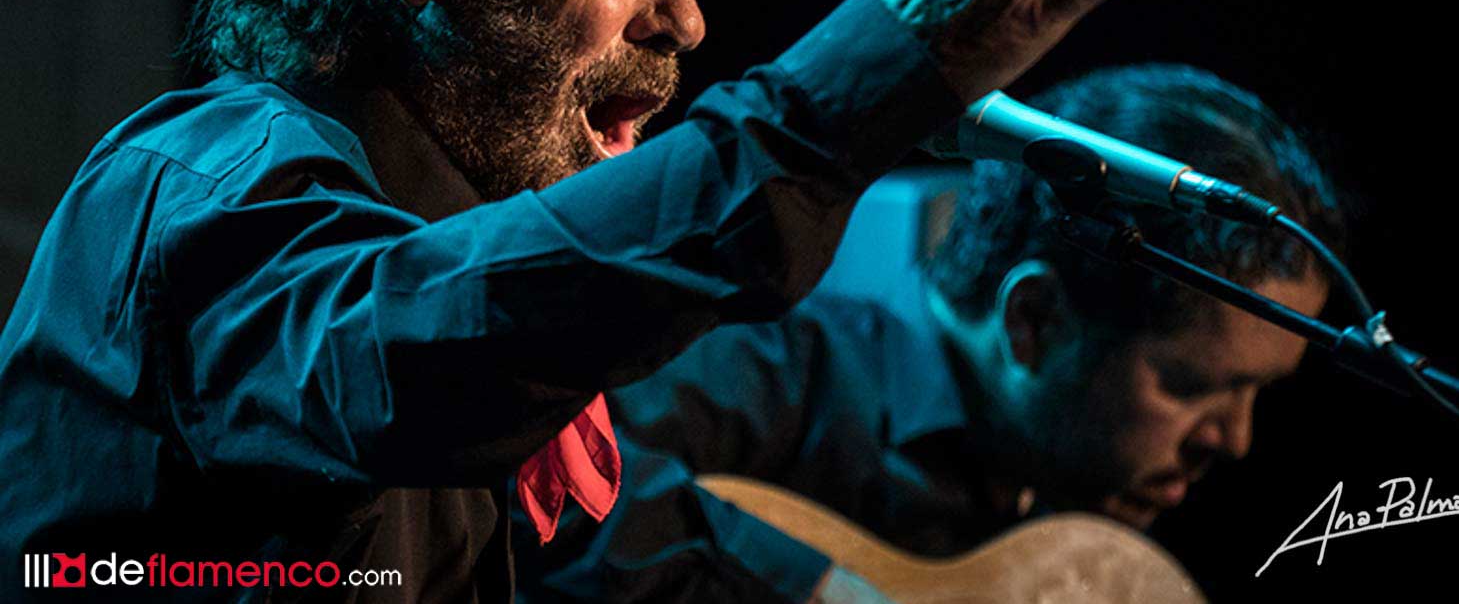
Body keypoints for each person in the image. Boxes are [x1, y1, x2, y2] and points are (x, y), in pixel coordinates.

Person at [0, 0, 1191, 602]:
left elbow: (627, 556)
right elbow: (416, 347)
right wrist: (854, 85)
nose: (686, 16)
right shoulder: (210, 181)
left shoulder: (473, 264)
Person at [514, 64, 1340, 603]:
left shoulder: (1076, 525)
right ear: (1035, 320)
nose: (1234, 441)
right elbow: (529, 478)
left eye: (1259, 393)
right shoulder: (779, 370)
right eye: (1195, 385)